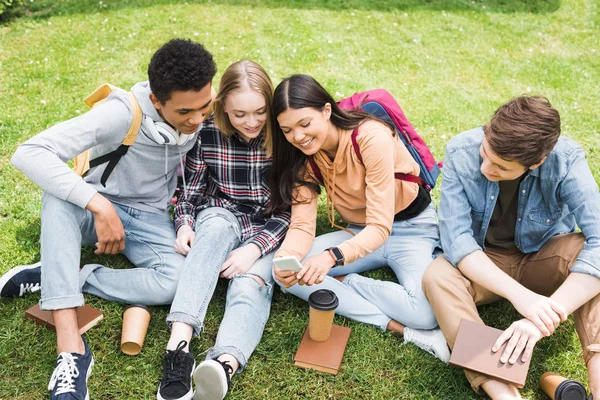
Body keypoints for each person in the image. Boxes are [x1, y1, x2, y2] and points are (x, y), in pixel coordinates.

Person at [0, 39, 217, 399]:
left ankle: (66, 275)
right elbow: (29, 153)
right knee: (58, 196)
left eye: (204, 107)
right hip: (92, 213)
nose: (196, 120)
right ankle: (71, 351)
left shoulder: (199, 114)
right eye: (184, 113)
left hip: (147, 217)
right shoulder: (120, 114)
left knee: (177, 282)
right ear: (155, 102)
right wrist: (99, 205)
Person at [422, 96, 600, 399]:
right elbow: (459, 243)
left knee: (588, 257)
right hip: (485, 263)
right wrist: (522, 298)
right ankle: (503, 392)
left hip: (544, 256)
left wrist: (538, 320)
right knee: (437, 276)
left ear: (537, 162)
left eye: (501, 167)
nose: (486, 167)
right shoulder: (460, 150)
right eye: (485, 153)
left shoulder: (567, 159)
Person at [267, 74, 449, 362]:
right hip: (358, 232)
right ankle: (397, 328)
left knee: (425, 313)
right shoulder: (302, 158)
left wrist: (331, 259)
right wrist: (287, 257)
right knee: (285, 273)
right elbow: (302, 224)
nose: (298, 137)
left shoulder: (370, 137)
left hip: (411, 230)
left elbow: (380, 226)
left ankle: (346, 281)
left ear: (326, 111)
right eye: (287, 130)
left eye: (305, 124)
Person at [156, 60, 290, 400]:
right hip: (223, 212)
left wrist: (254, 249)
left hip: (270, 227)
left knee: (250, 284)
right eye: (239, 114)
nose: (251, 122)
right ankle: (179, 347)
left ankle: (224, 365)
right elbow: (190, 192)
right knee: (211, 235)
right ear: (223, 107)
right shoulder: (208, 132)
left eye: (259, 112)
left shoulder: (285, 134)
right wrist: (185, 223)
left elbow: (293, 212)